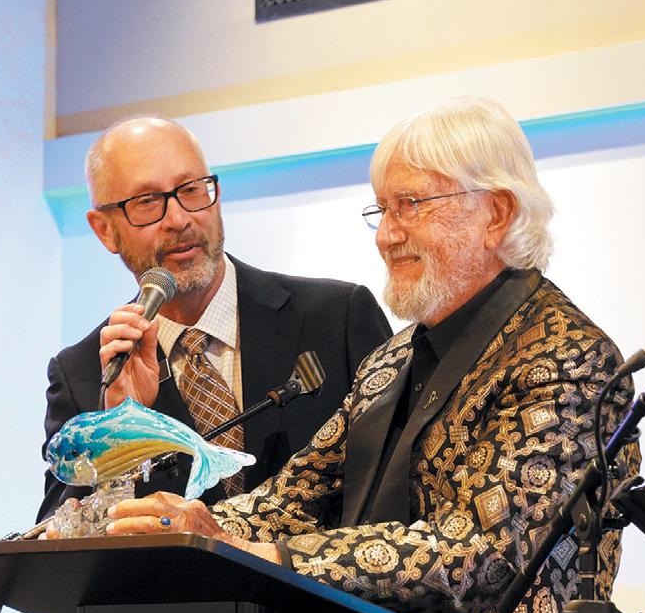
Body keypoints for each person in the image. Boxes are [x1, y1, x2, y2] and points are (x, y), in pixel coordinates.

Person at [56, 97, 640, 613]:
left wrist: (262, 555)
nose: (386, 235)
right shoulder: (395, 359)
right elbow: (295, 496)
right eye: (382, 209)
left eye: (411, 205)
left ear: (496, 213)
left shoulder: (567, 358)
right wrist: (188, 525)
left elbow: (478, 554)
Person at [38, 116, 391, 521]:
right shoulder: (86, 375)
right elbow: (55, 535)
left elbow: (399, 486)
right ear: (104, 230)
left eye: (192, 190)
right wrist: (120, 430)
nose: (179, 219)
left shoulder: (337, 316)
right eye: (148, 201)